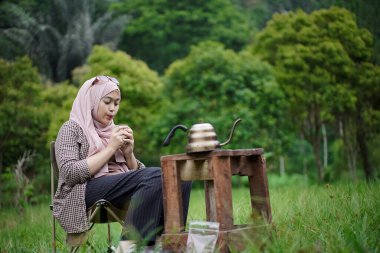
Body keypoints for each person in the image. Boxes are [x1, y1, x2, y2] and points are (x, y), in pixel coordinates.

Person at [53, 76, 191, 251]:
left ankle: (170, 245)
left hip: (117, 188)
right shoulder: (71, 128)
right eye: (107, 102)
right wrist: (111, 148)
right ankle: (128, 248)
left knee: (179, 177)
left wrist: (128, 155)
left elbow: (141, 175)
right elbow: (70, 173)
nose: (112, 109)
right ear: (92, 101)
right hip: (84, 191)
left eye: (116, 103)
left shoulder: (114, 130)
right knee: (155, 175)